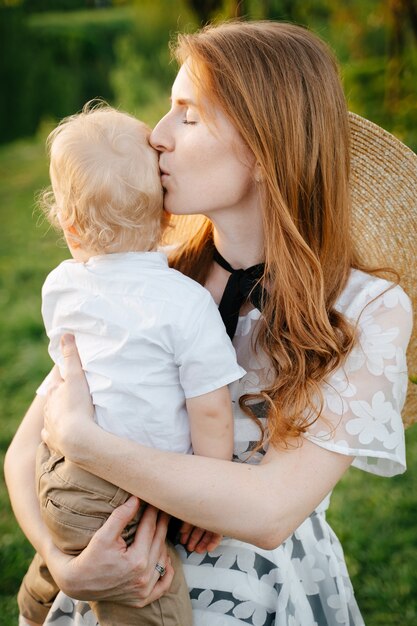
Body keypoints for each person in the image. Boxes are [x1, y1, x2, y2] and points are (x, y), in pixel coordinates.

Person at [5, 20, 416, 626]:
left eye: (186, 116)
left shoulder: (366, 307)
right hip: (118, 580)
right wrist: (60, 563)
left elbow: (269, 512)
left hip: (259, 596)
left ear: (264, 147)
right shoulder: (148, 281)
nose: (157, 136)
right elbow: (22, 453)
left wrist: (85, 443)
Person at [14, 103, 245, 626]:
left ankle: (34, 605)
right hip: (126, 494)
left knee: (69, 533)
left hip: (58, 473)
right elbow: (210, 413)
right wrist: (207, 500)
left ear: (70, 229)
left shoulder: (62, 287)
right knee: (150, 605)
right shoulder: (186, 303)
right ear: (167, 218)